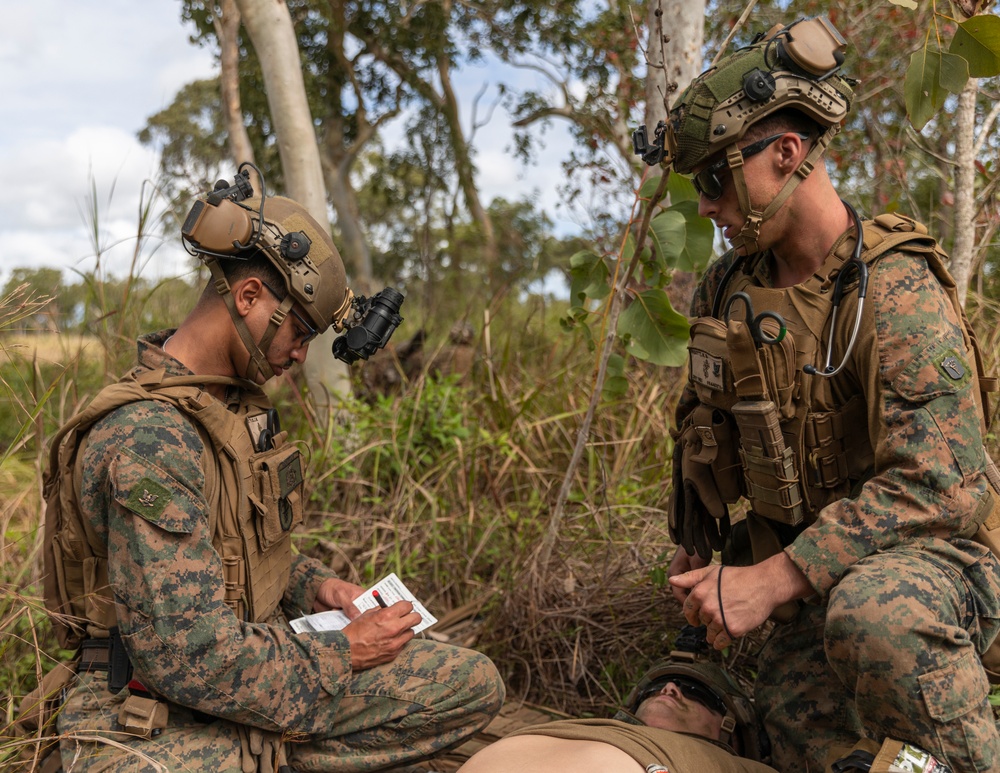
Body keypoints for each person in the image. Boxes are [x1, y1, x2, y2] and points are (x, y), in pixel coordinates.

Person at [41, 166, 504, 772]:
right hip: (150, 703)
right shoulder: (148, 438)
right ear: (250, 296)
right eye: (300, 332)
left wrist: (317, 586)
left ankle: (268, 750)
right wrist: (342, 654)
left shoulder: (229, 407)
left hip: (258, 664)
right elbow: (186, 657)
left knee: (471, 683)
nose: (298, 354)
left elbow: (238, 550)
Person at [633, 15, 1000, 773]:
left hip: (943, 569)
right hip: (823, 587)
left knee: (877, 619)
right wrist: (700, 619)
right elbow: (706, 455)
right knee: (804, 729)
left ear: (786, 154)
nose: (705, 205)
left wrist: (774, 578)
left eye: (714, 179)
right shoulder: (729, 286)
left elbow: (942, 487)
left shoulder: (893, 288)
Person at [456, 649, 774, 773]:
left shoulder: (740, 768)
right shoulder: (580, 726)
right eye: (654, 689)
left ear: (733, 726)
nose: (669, 690)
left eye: (695, 693)